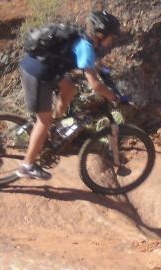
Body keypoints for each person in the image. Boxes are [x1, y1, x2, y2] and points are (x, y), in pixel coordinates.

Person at [16, 10, 123, 180]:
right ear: (101, 34)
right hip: (38, 72)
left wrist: (102, 72)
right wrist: (113, 96)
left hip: (46, 68)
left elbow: (85, 65)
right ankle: (27, 166)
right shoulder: (86, 47)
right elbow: (94, 84)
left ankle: (54, 125)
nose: (112, 40)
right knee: (43, 120)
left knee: (70, 88)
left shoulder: (84, 40)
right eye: (112, 36)